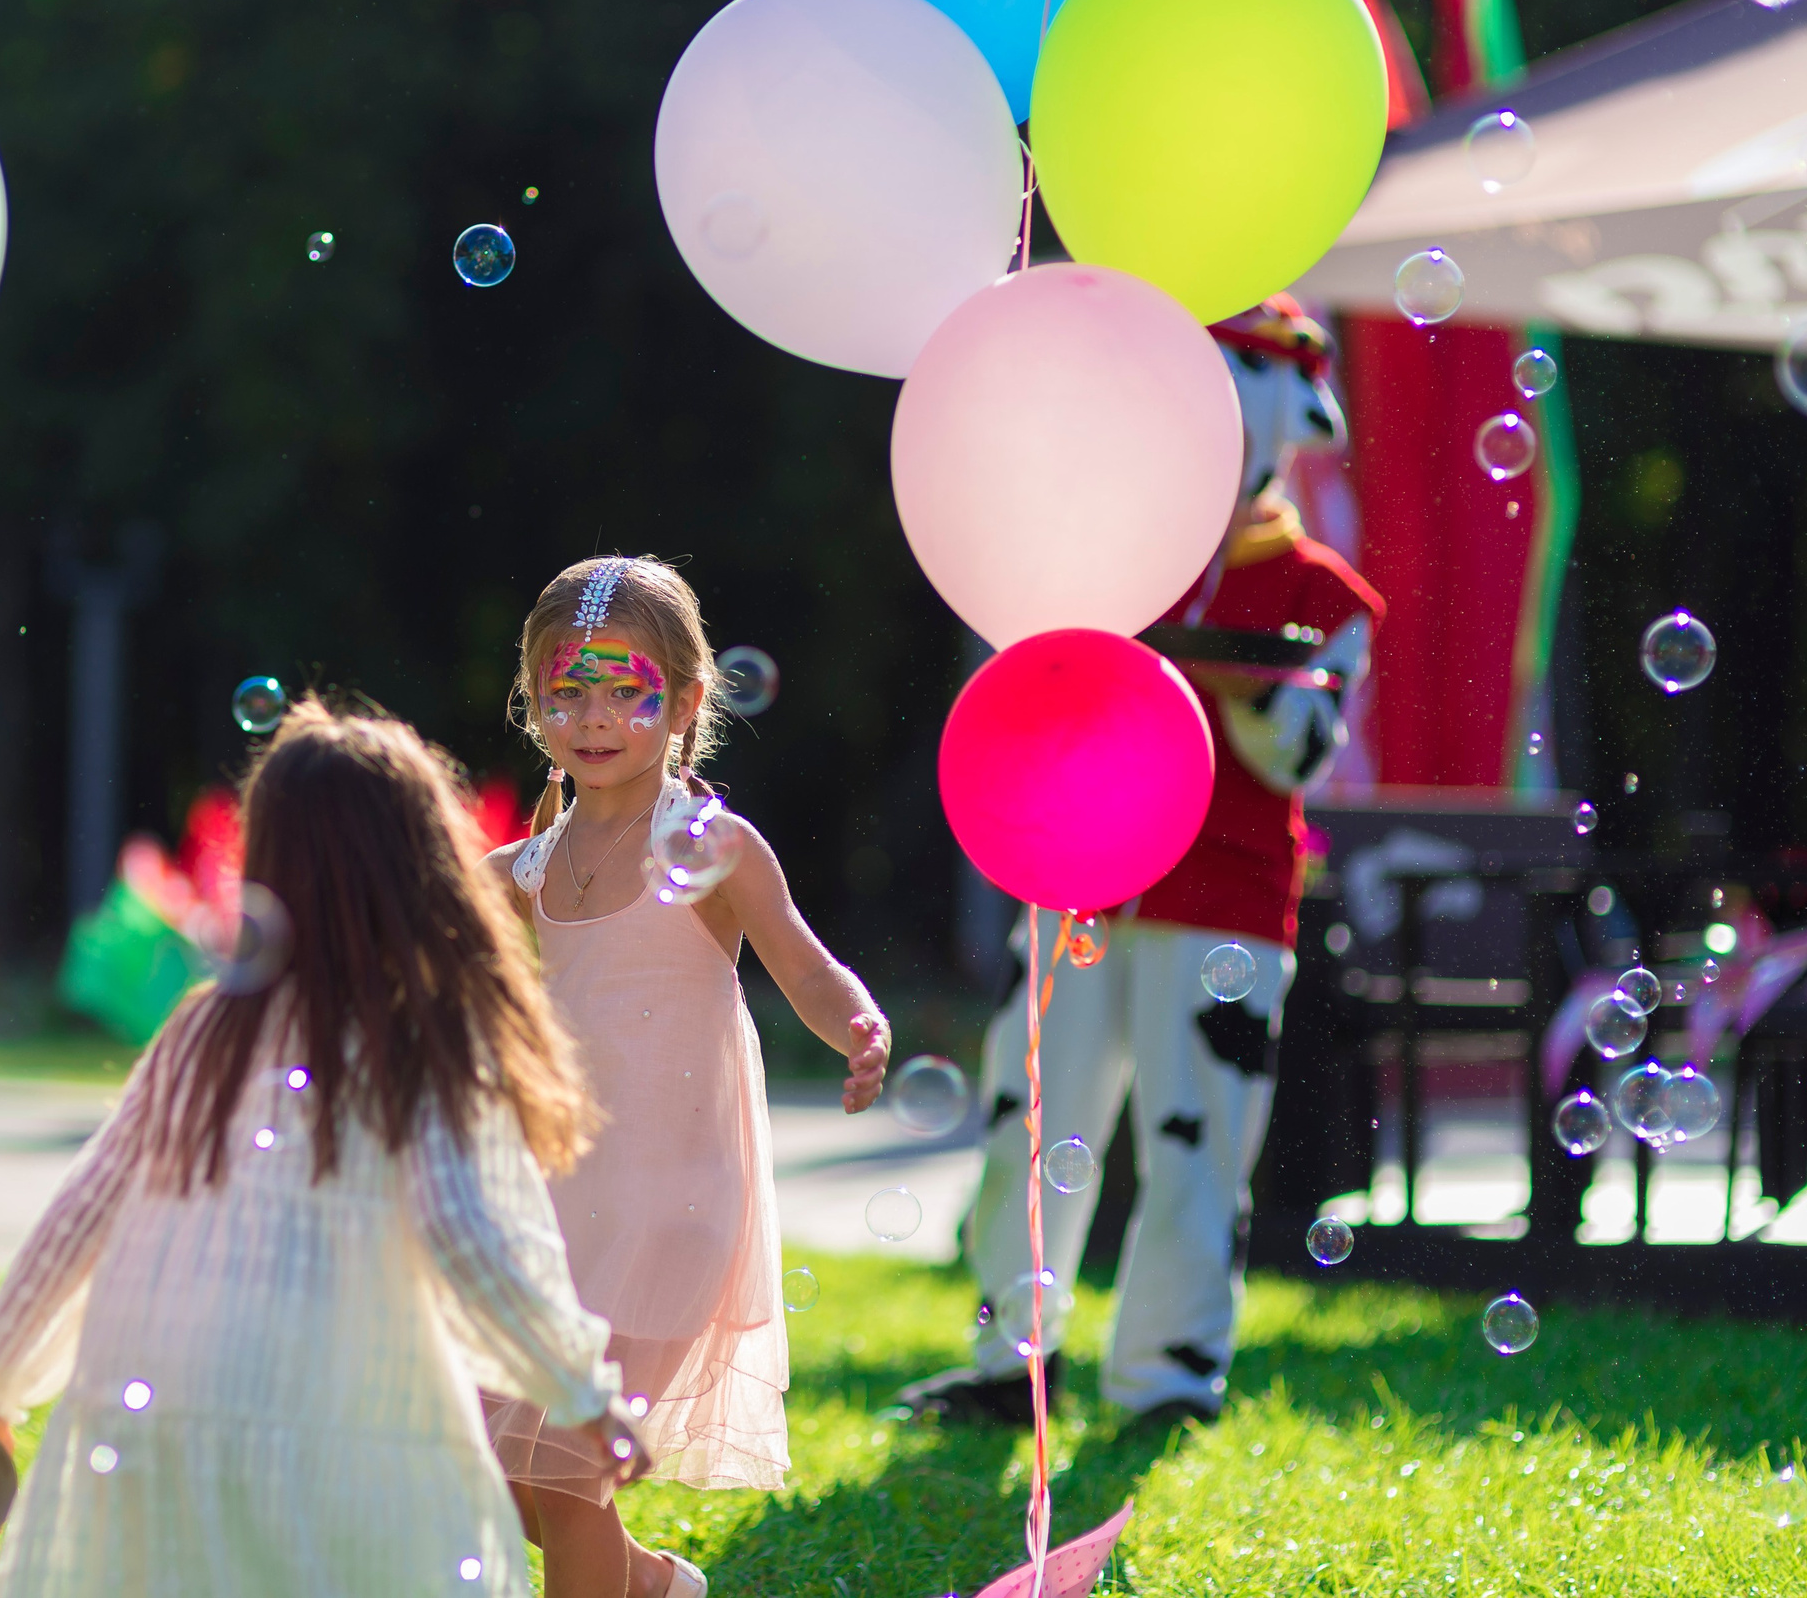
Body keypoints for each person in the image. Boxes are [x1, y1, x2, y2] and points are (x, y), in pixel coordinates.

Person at [0, 698, 648, 1597]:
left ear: (268, 865)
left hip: (157, 1402)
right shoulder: (424, 1041)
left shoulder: (208, 1026)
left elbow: (80, 1219)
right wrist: (581, 1393)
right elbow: (473, 1240)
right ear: (427, 865)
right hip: (345, 1412)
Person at [900, 297, 1385, 1430]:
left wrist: (1217, 676)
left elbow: (1300, 749)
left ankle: (1169, 1374)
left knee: (1199, 1134)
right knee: (1031, 1110)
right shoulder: (1099, 553)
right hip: (1079, 873)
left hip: (1226, 896)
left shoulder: (1326, 596)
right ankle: (1006, 1356)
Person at [483, 555, 892, 1598]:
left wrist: (856, 1022)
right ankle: (659, 1587)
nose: (594, 716)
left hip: (673, 1207)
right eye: (565, 690)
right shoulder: (526, 868)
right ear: (532, 703)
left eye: (627, 690)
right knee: (509, 1471)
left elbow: (802, 960)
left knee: (567, 1475)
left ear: (688, 702)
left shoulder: (707, 845)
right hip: (564, 1210)